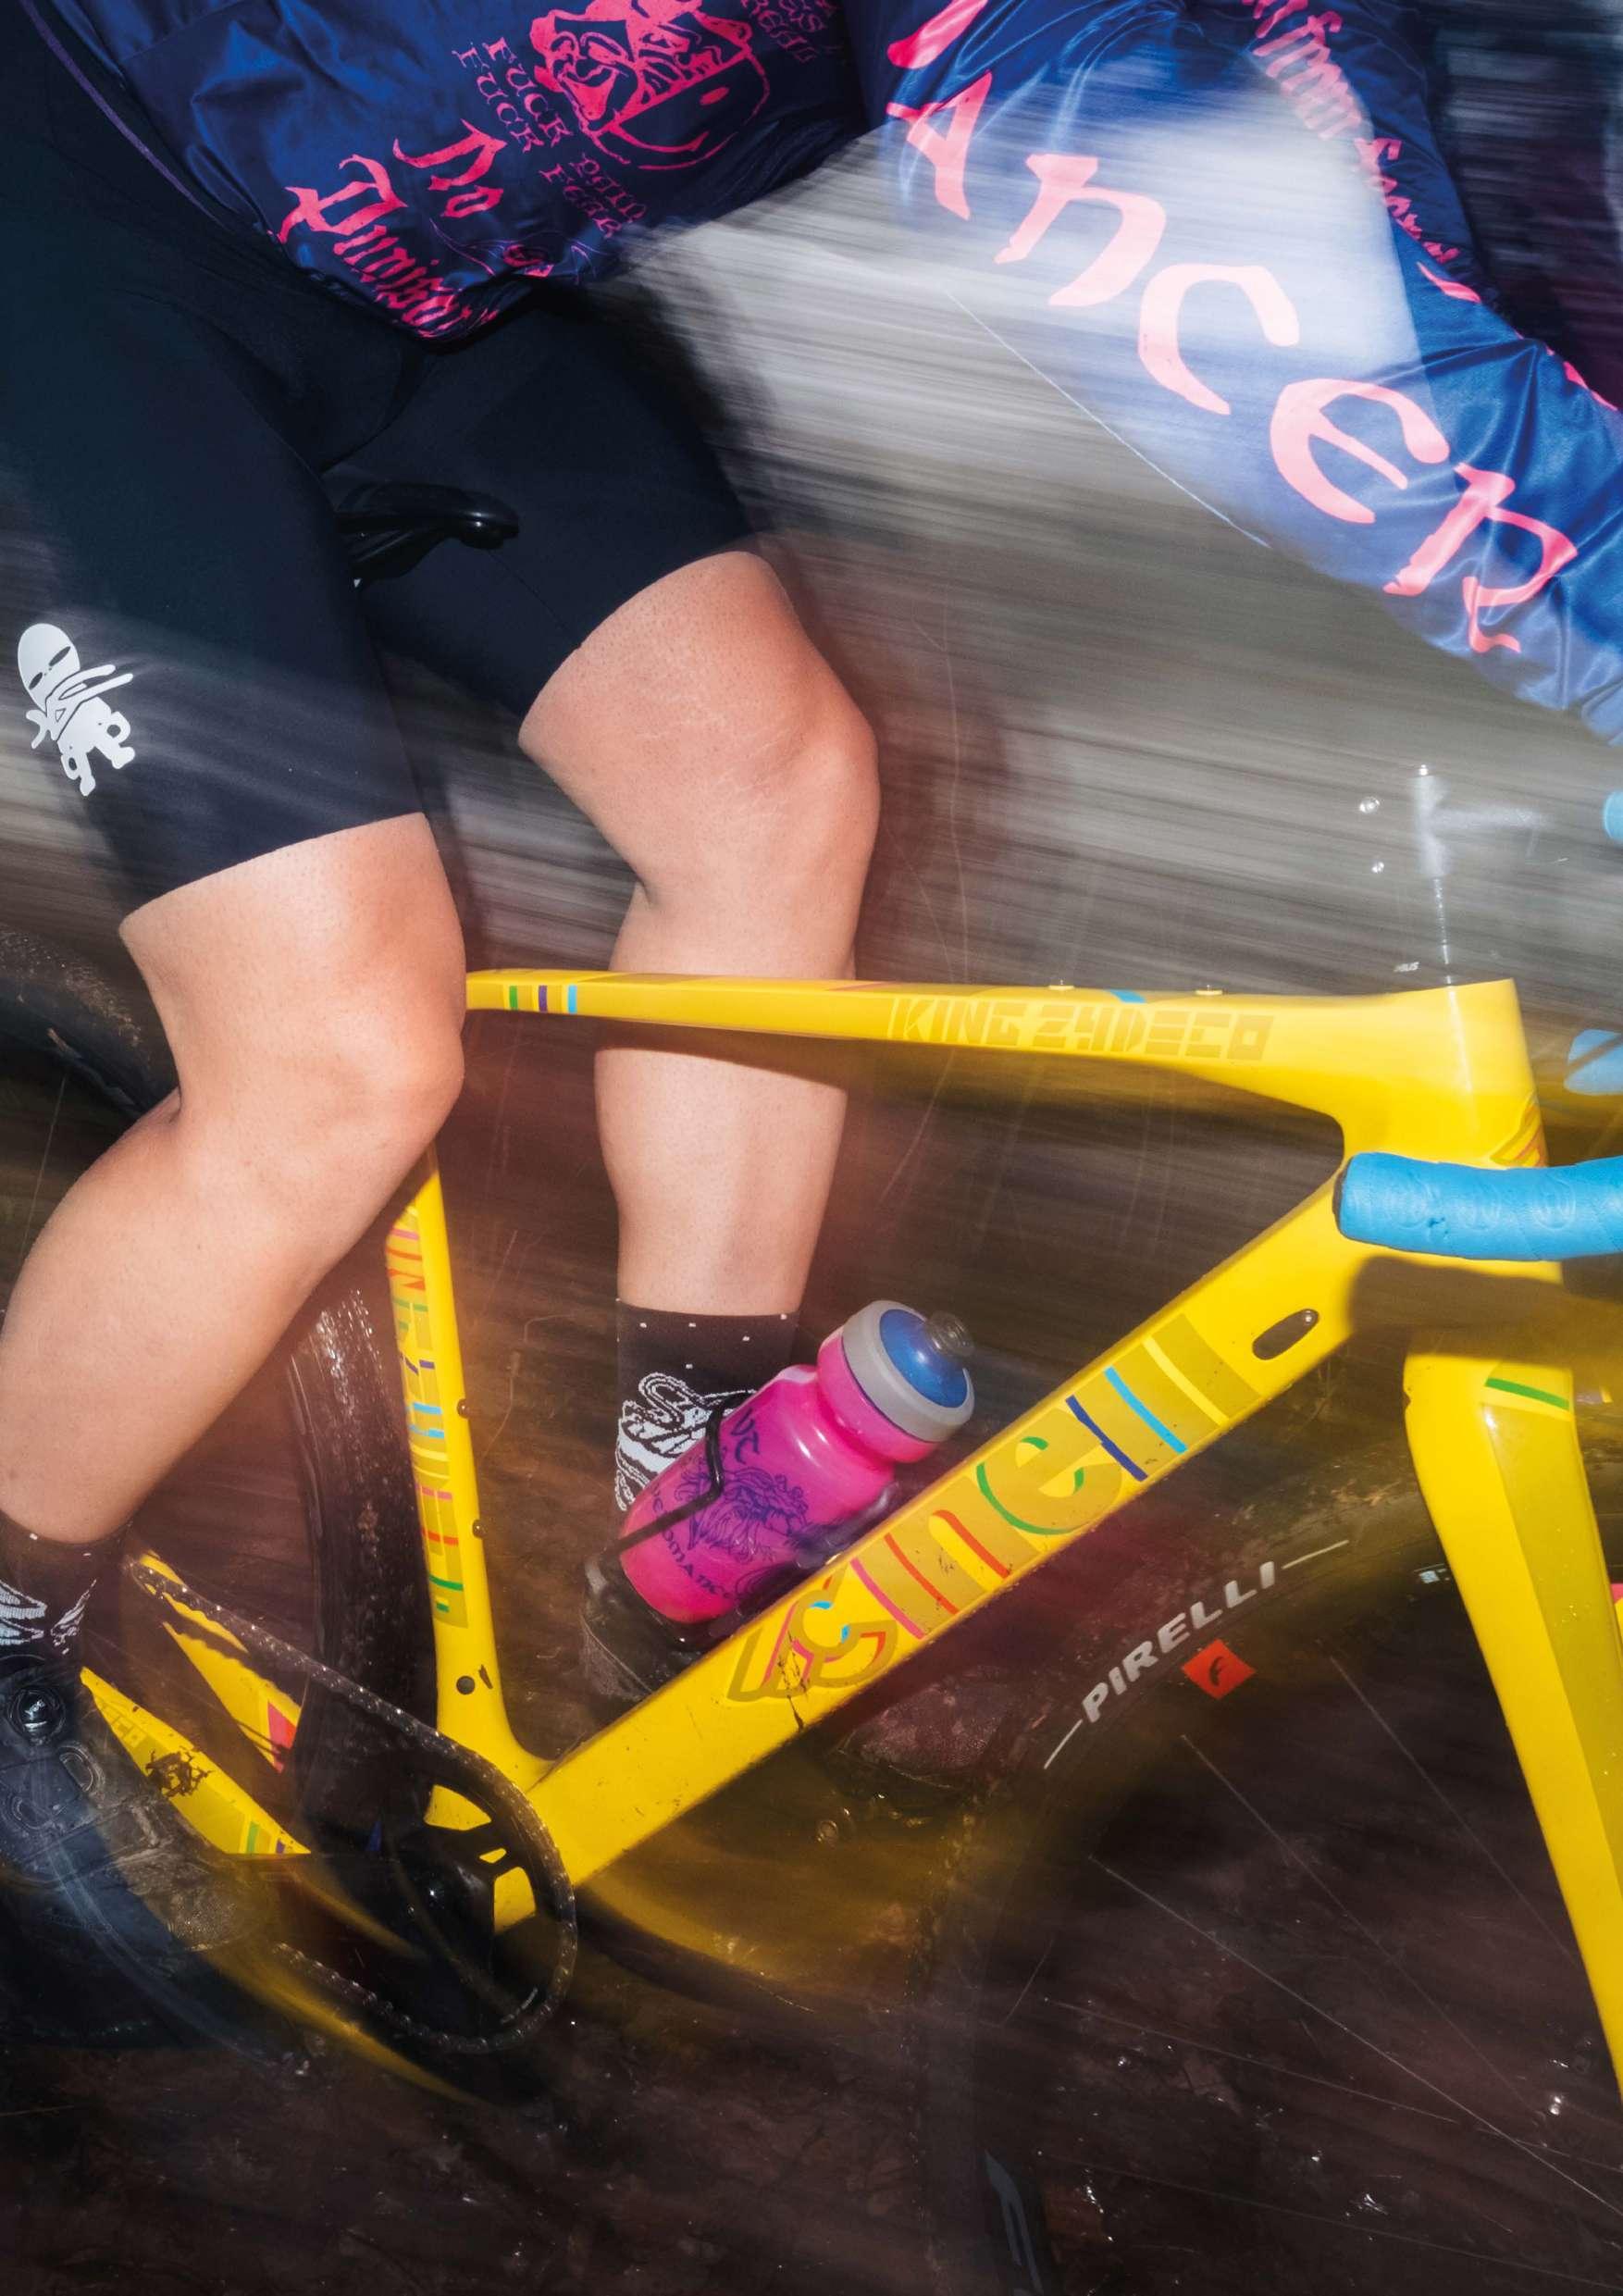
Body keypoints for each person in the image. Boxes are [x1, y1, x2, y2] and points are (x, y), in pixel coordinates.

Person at [6, 0, 1623, 2030]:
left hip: (414, 278)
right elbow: (1274, 319)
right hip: (74, 211)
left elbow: (1453, 190)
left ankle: (687, 1489)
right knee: (337, 1056)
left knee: (776, 788)